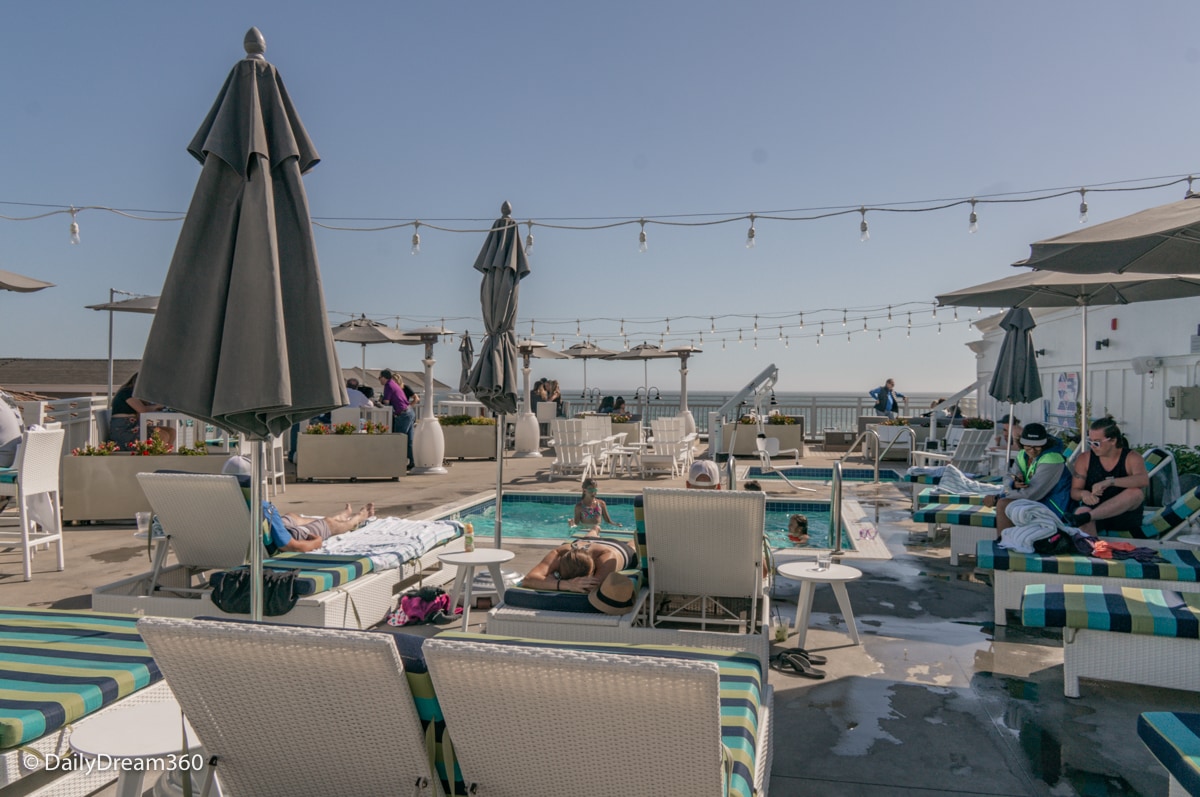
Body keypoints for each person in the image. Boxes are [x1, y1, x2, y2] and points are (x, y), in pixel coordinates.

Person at [983, 423, 1072, 532]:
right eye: (1028, 446)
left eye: (1037, 446)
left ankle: (1003, 543)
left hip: (1057, 507)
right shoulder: (1022, 455)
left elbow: (1031, 494)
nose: (1032, 450)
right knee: (1004, 503)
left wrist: (999, 497)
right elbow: (1009, 475)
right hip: (1040, 501)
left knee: (1003, 504)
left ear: (1045, 443)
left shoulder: (1052, 459)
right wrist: (1013, 483)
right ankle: (1007, 541)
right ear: (1021, 443)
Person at [1069, 418, 1149, 537]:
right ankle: (1090, 549)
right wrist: (1084, 494)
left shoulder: (1131, 457)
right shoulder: (1084, 459)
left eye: (1096, 443)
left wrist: (1110, 482)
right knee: (1082, 512)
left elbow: (1143, 480)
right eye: (1089, 442)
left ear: (1112, 440)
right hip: (1095, 511)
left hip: (1124, 515)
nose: (1092, 446)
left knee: (1135, 493)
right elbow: (1074, 491)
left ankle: (1089, 517)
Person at [520, 536, 638, 593]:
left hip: (619, 549)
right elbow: (528, 579)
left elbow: (589, 588)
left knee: (632, 545)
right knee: (591, 535)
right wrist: (566, 584)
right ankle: (594, 530)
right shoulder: (559, 553)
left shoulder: (607, 558)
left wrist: (551, 581)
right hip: (584, 541)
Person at [108, 372, 163, 449]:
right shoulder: (127, 392)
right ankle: (154, 459)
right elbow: (142, 410)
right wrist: (157, 406)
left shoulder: (134, 394)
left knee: (171, 431)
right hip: (124, 432)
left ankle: (162, 458)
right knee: (163, 434)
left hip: (132, 427)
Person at [379, 369, 415, 469]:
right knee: (409, 441)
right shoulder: (393, 384)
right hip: (409, 412)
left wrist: (377, 403)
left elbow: (386, 402)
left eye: (379, 378)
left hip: (402, 414)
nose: (379, 380)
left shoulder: (388, 385)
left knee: (398, 439)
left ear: (384, 377)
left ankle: (397, 464)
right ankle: (412, 462)